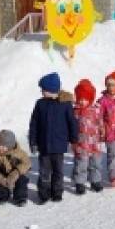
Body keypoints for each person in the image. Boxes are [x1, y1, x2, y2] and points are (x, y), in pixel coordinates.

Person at [29, 72, 79, 204]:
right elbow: (34, 124)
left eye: (43, 89)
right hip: (44, 145)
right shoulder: (40, 104)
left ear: (51, 90)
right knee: (44, 172)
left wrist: (74, 139)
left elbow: (72, 122)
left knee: (58, 171)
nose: (41, 91)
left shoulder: (65, 104)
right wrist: (33, 141)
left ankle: (57, 192)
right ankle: (43, 194)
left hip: (58, 145)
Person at [72, 79, 105, 195]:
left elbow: (100, 121)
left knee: (95, 163)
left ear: (90, 98)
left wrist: (102, 131)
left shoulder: (96, 109)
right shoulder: (75, 111)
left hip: (95, 142)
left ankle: (95, 180)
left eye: (85, 99)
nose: (82, 101)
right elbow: (71, 125)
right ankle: (80, 183)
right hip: (81, 142)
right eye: (80, 99)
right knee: (81, 163)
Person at [0, 131, 31, 206]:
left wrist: (16, 172)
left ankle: (20, 198)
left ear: (11, 146)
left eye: (4, 146)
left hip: (15, 173)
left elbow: (27, 163)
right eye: (0, 145)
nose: (1, 148)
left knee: (22, 180)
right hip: (2, 175)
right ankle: (3, 196)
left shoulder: (19, 153)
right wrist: (0, 179)